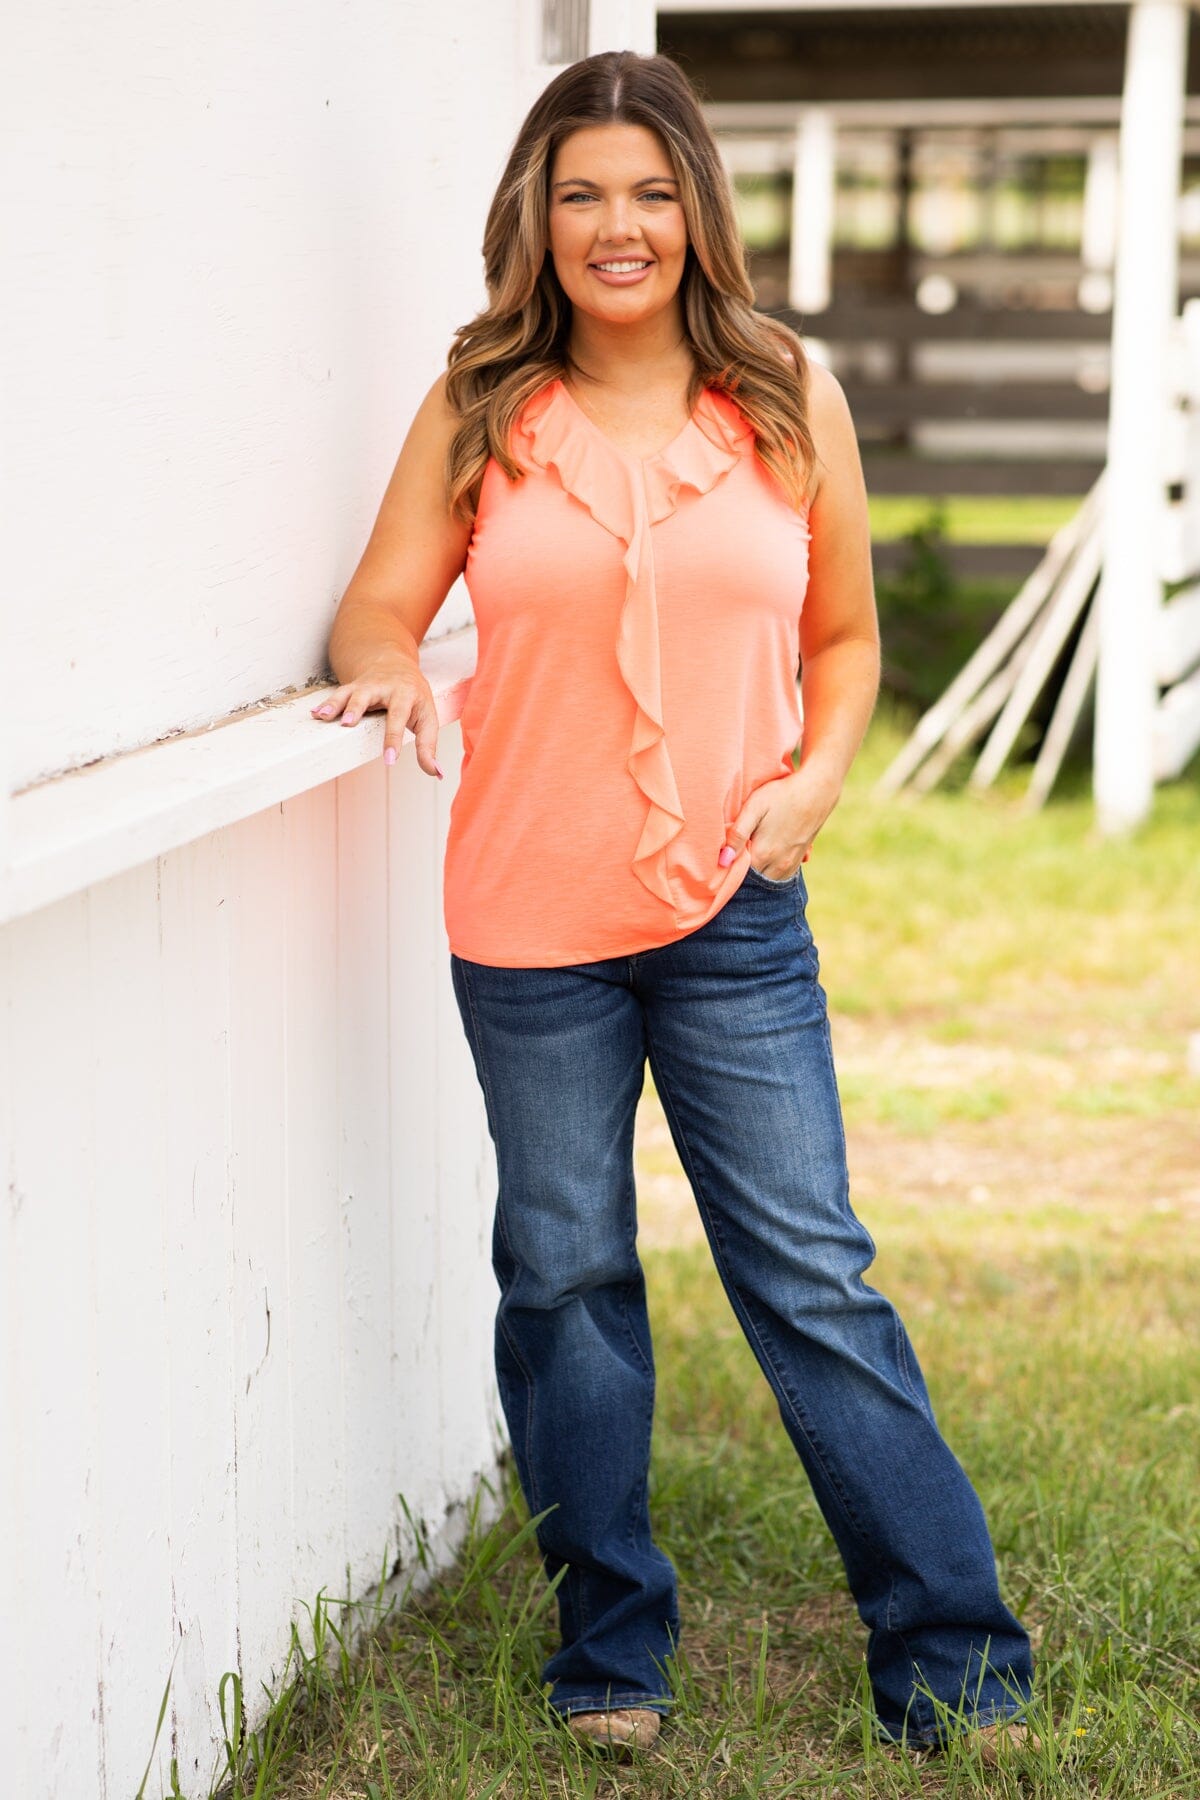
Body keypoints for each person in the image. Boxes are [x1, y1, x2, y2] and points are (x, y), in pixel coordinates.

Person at [312, 48, 1037, 1767]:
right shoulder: (480, 405)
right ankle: (610, 1651)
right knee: (564, 1280)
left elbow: (846, 640)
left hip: (735, 913)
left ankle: (953, 1657)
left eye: (649, 192)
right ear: (535, 219)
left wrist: (814, 784)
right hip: (527, 928)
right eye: (581, 195)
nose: (616, 226)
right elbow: (374, 610)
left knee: (811, 1277)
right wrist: (390, 676)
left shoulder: (787, 396)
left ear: (698, 208)